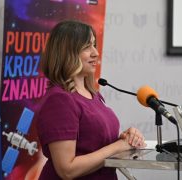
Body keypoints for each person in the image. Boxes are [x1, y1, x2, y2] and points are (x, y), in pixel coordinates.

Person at [36, 20, 146, 180]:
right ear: (67, 52)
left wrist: (125, 137)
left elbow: (91, 144)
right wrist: (117, 147)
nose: (96, 53)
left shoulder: (93, 94)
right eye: (87, 47)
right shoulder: (59, 100)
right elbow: (67, 169)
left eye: (94, 45)